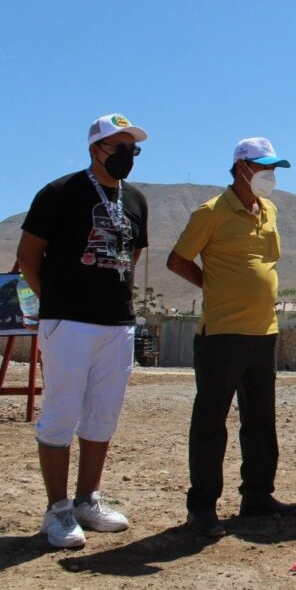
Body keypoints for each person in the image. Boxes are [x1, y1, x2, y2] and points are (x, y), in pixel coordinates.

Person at [16, 113, 149, 548]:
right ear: (96, 149)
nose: (127, 157)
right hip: (68, 323)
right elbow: (29, 256)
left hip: (118, 325)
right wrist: (56, 303)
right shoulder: (59, 193)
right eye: (120, 148)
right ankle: (56, 511)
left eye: (133, 150)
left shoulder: (136, 201)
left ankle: (87, 499)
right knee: (60, 415)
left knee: (102, 415)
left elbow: (134, 259)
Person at [167, 137, 296, 537]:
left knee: (261, 421)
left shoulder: (270, 210)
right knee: (211, 422)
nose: (270, 176)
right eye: (264, 168)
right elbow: (177, 260)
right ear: (242, 168)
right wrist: (212, 284)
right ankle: (202, 506)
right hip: (221, 334)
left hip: (264, 333)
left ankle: (256, 495)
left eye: (274, 169)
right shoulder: (210, 212)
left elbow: (266, 263)